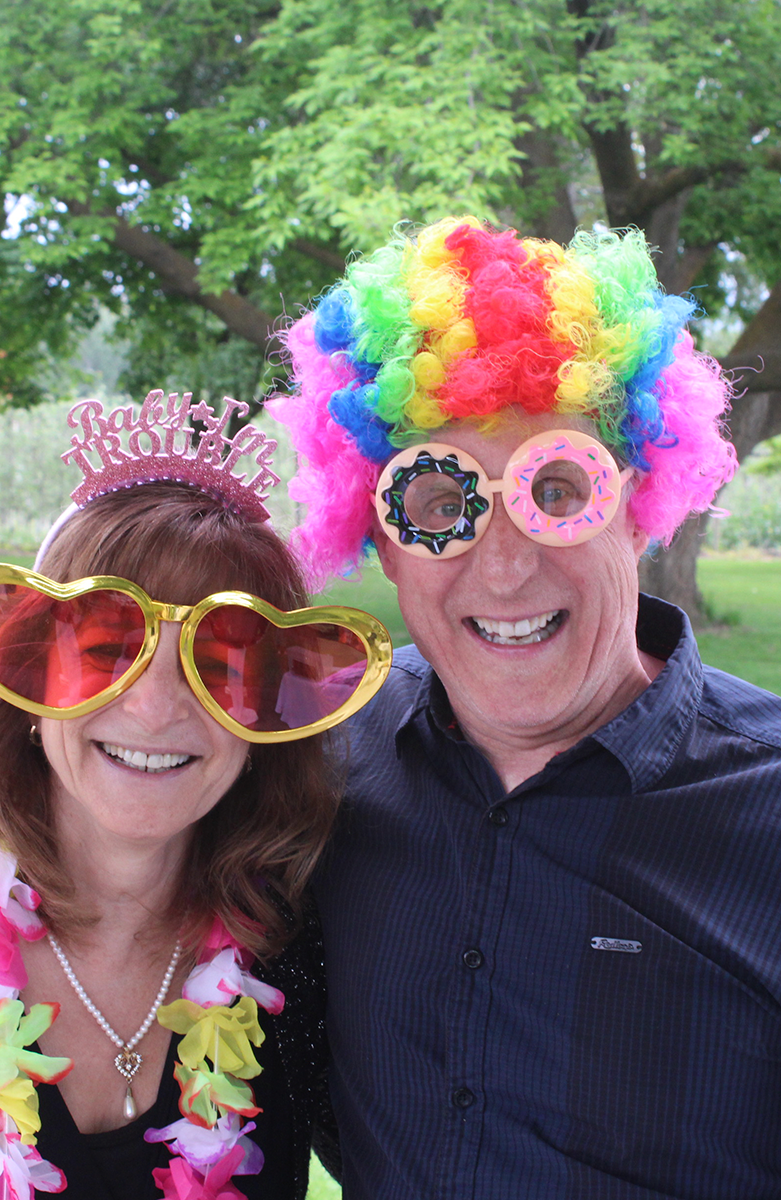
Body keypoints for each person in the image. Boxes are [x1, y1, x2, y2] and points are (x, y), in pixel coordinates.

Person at [270, 218, 781, 1199]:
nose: (503, 566)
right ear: (382, 541)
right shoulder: (316, 757)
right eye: (437, 500)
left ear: (635, 509)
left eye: (556, 488)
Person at [0, 389, 390, 1199]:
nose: (155, 708)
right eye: (107, 647)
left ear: (262, 712)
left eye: (219, 660)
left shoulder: (298, 952)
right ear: (28, 678)